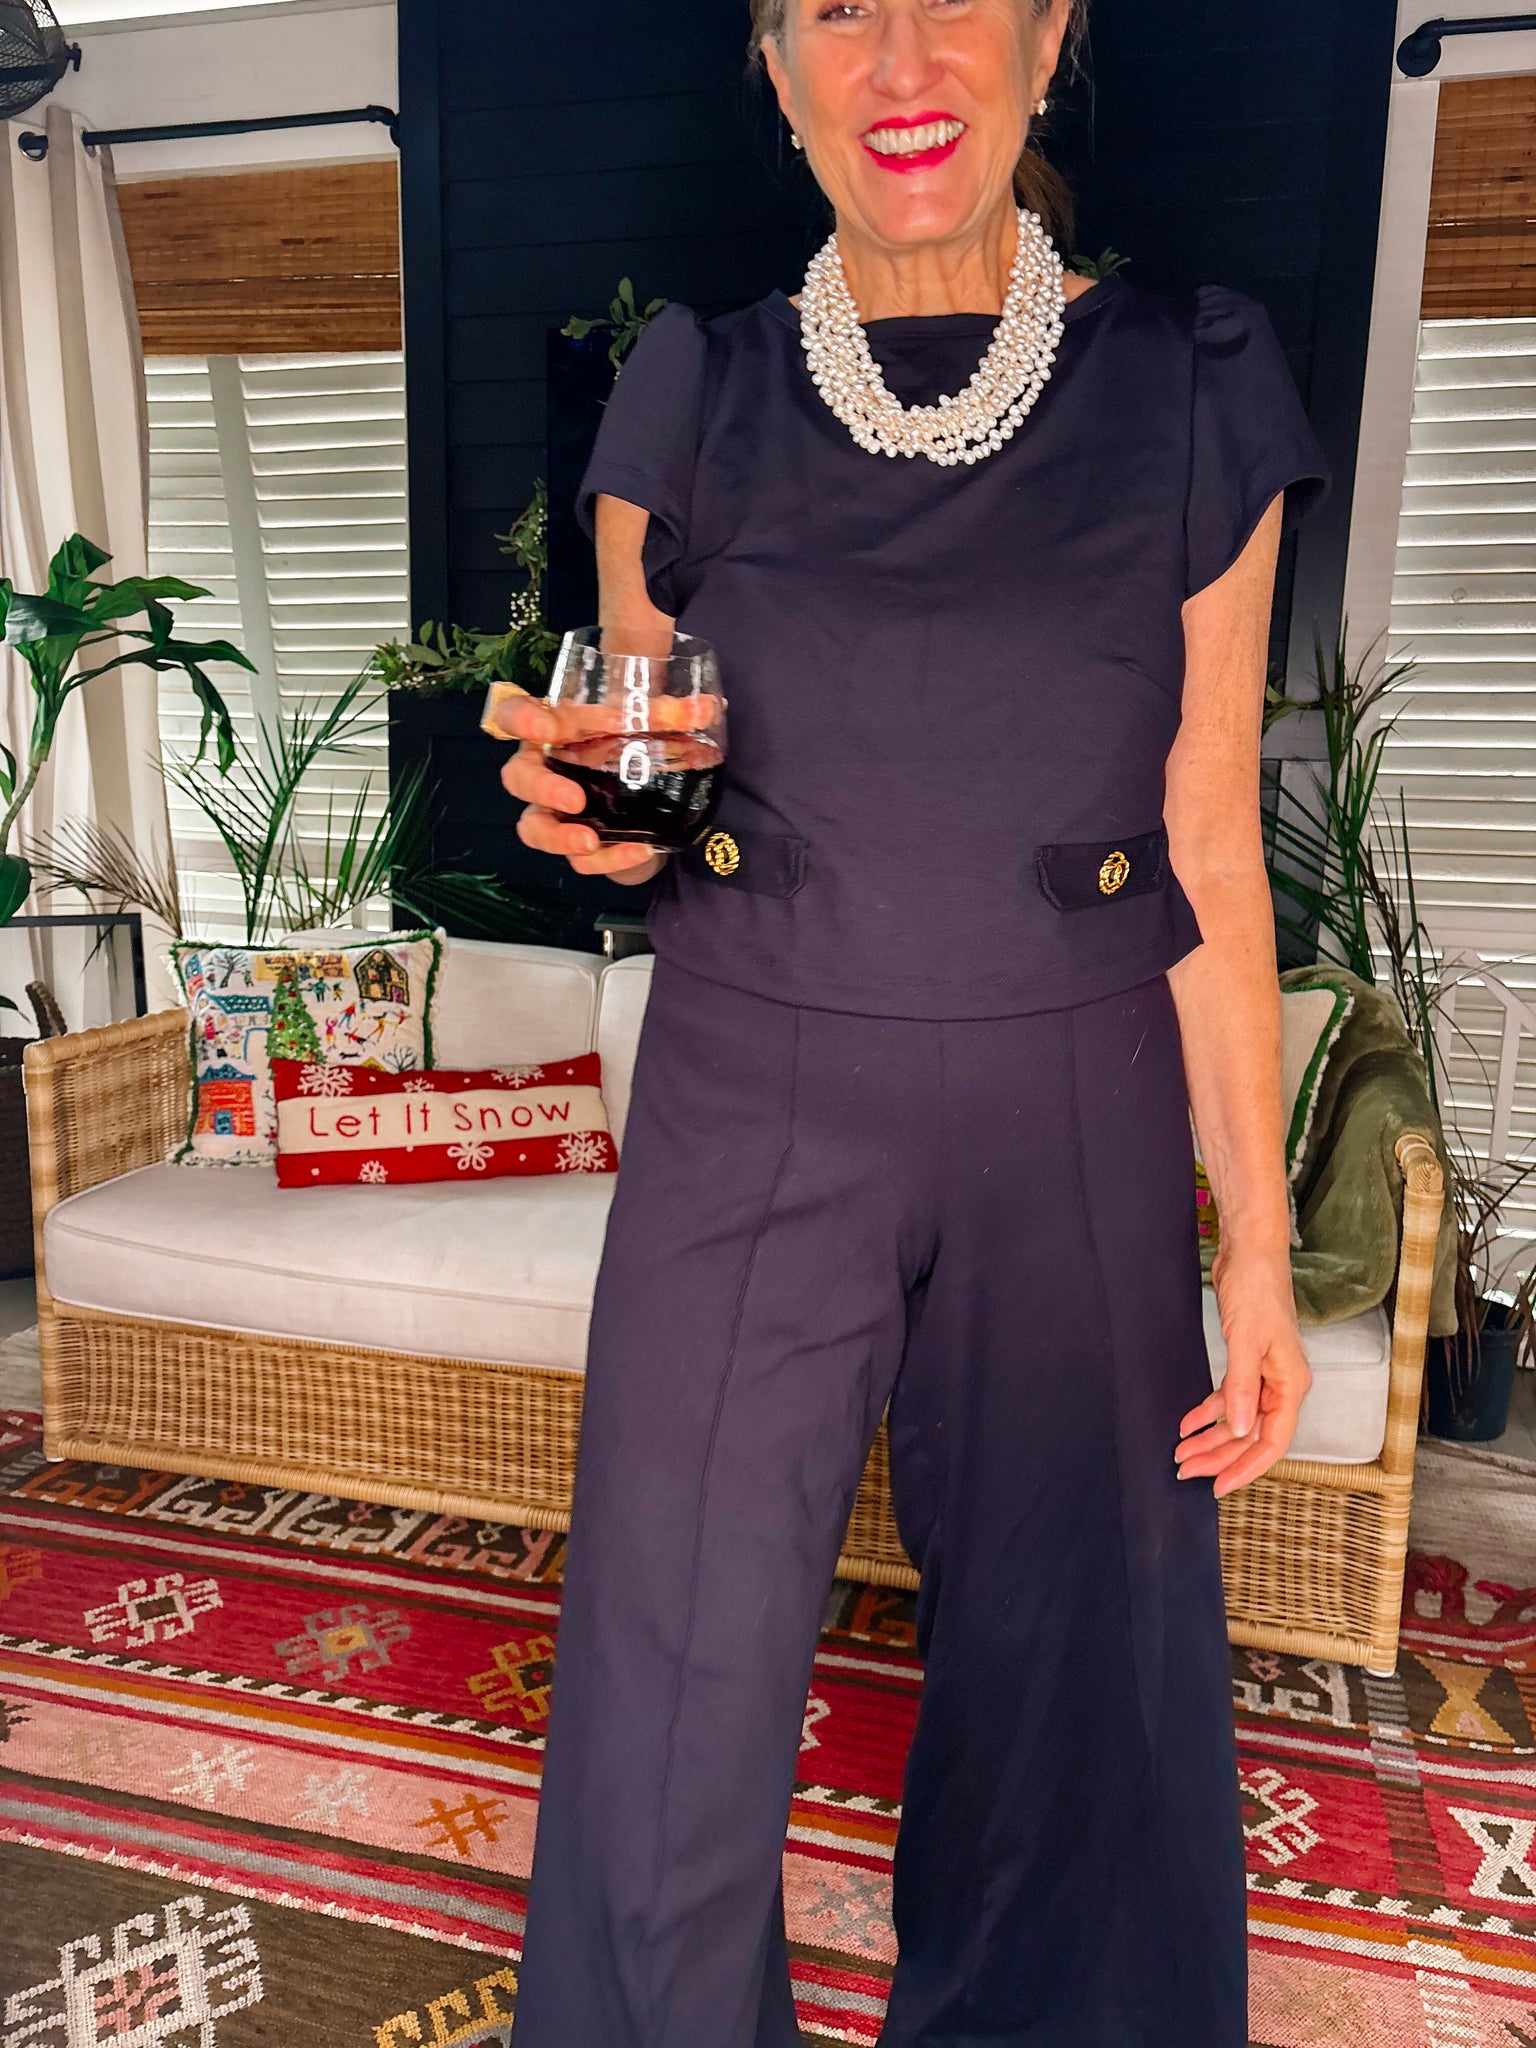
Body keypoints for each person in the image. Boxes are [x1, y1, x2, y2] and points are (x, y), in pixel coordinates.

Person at [493, 1, 1328, 2040]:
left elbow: (1208, 836)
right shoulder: (691, 393)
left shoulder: (1195, 379)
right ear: (776, 67)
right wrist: (593, 816)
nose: (901, 61)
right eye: (837, 8)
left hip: (1079, 1097)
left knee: (1079, 1697)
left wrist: (1257, 1247)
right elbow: (647, 755)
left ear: (1050, 33)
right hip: (750, 1085)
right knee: (666, 1696)